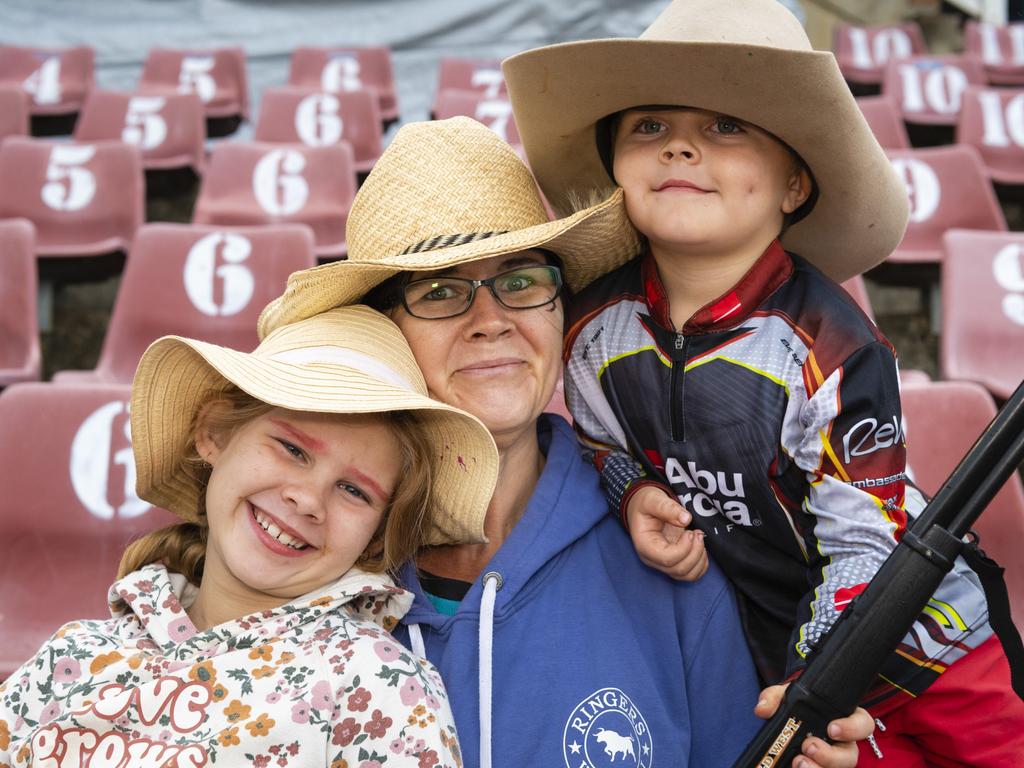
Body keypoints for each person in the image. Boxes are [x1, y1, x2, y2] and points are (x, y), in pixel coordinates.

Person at [258, 116, 875, 768]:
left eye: (522, 281)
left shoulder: (676, 550)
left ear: (562, 311)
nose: (491, 321)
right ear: (382, 332)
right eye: (440, 291)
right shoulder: (308, 546)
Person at [501, 0, 1024, 764]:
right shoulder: (590, 325)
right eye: (649, 126)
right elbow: (597, 445)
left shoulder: (831, 345)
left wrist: (814, 685)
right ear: (614, 164)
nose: (679, 146)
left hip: (923, 641)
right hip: (758, 640)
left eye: (725, 127)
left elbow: (864, 545)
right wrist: (634, 493)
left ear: (794, 186)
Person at [0, 305, 500, 768]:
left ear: (374, 538)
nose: (307, 499)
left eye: (352, 490)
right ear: (215, 433)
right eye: (292, 449)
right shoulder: (74, 655)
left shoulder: (376, 683)